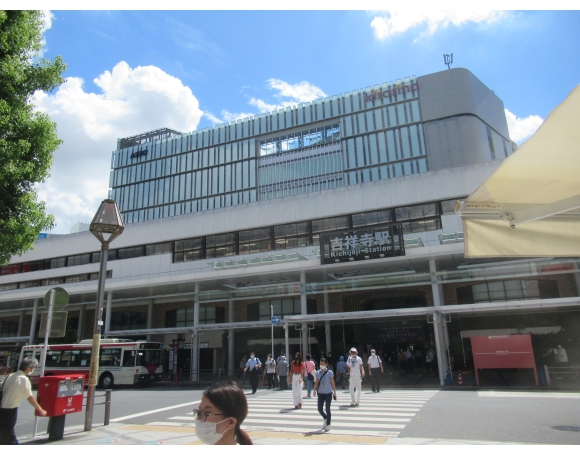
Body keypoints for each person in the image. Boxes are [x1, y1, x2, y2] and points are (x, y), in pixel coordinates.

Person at [0, 358, 47, 445]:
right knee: (5, 436)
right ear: (29, 368)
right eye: (33, 368)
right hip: (10, 410)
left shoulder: (10, 376)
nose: (33, 370)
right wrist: (40, 409)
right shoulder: (23, 379)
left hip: (2, 409)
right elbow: (30, 397)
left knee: (9, 436)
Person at [313, 357, 337, 432]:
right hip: (320, 392)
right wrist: (314, 390)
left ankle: (328, 424)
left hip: (328, 392)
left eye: (323, 364)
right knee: (319, 409)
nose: (322, 366)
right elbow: (316, 382)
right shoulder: (318, 372)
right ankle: (325, 418)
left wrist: (335, 392)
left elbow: (332, 382)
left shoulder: (330, 372)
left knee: (327, 409)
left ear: (326, 364)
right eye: (321, 364)